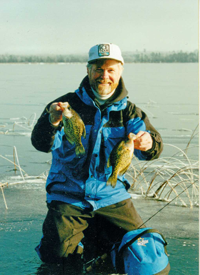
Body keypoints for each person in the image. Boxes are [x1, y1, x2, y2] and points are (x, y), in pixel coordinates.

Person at [31, 43, 166, 273]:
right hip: (68, 196)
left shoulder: (131, 113)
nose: (104, 76)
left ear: (120, 71)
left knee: (148, 260)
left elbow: (153, 147)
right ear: (88, 70)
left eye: (111, 70)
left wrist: (148, 142)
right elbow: (41, 143)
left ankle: (108, 250)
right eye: (98, 69)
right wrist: (52, 121)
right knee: (57, 262)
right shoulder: (65, 105)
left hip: (111, 196)